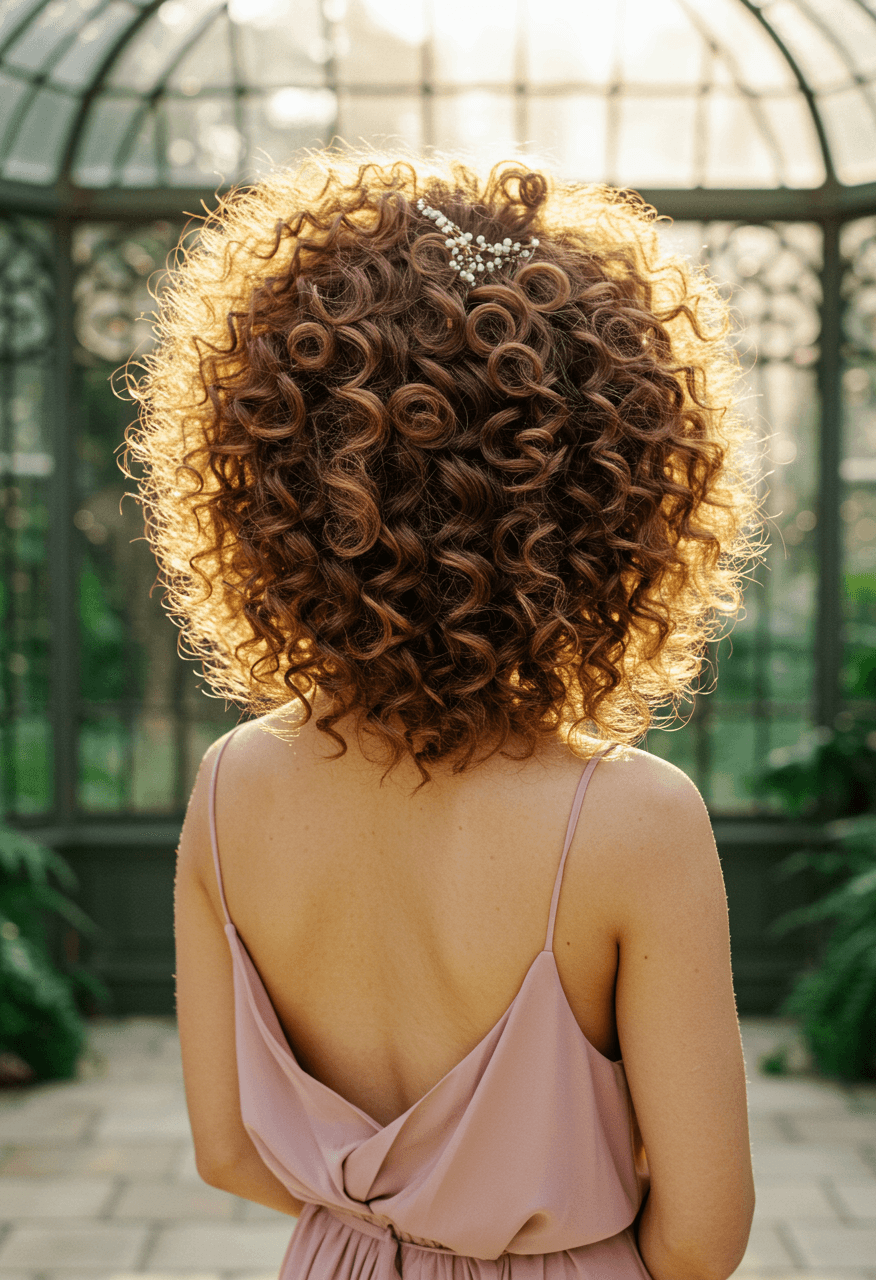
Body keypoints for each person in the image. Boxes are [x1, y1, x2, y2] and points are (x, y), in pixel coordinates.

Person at [127, 152, 757, 1280]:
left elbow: (225, 1149)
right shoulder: (631, 821)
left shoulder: (230, 785)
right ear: (608, 494)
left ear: (271, 479)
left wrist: (386, 1226)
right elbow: (703, 1235)